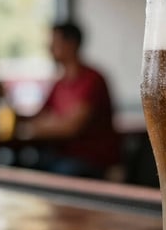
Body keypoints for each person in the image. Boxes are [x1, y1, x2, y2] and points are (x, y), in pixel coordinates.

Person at [19, 22, 120, 178]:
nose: (50, 48)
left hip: (90, 160)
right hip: (62, 155)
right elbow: (40, 115)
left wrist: (38, 126)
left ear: (72, 44)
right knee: (20, 165)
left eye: (55, 42)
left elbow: (71, 127)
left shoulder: (93, 79)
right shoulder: (60, 83)